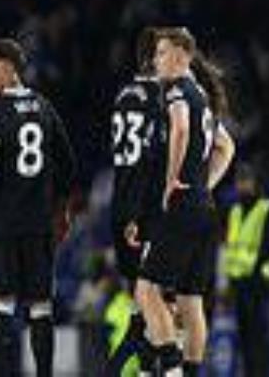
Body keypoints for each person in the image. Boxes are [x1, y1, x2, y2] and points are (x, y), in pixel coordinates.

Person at [0, 38, 76, 377]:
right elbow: (68, 163)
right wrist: (62, 208)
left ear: (9, 68)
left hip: (3, 224)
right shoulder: (44, 106)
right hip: (40, 224)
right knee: (41, 306)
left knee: (2, 304)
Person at [134, 27, 235, 376]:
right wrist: (204, 185)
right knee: (191, 301)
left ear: (180, 56)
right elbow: (227, 148)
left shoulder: (177, 91)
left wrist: (172, 179)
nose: (156, 60)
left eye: (161, 53)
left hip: (181, 207)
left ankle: (172, 370)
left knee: (147, 290)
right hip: (204, 209)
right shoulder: (202, 99)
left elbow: (180, 129)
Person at [109, 26, 167, 374]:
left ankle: (137, 370)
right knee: (157, 304)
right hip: (143, 209)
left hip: (120, 201)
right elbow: (152, 157)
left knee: (141, 305)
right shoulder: (158, 98)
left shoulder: (123, 94)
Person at [223, 163, 269, 376]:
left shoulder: (266, 210)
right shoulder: (234, 211)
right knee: (244, 338)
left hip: (259, 285)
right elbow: (231, 247)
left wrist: (265, 277)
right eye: (239, 180)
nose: (242, 185)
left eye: (246, 180)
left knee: (260, 338)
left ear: (255, 183)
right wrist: (229, 282)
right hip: (239, 284)